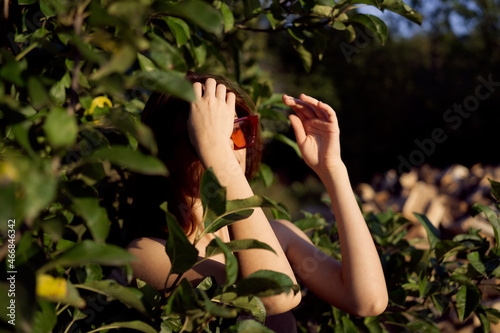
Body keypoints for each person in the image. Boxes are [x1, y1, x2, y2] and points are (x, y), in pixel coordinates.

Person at [126, 73, 388, 331]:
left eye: (238, 130)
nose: (229, 147)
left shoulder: (277, 234)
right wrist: (217, 155)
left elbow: (367, 300)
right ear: (164, 153)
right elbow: (272, 295)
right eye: (206, 134)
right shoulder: (147, 255)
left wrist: (332, 169)